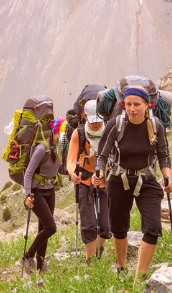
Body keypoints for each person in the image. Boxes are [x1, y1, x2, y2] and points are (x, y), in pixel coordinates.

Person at [94, 86, 172, 278]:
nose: (131, 108)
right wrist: (99, 172)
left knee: (153, 228)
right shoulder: (116, 124)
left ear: (147, 105)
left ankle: (140, 276)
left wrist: (168, 176)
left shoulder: (156, 126)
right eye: (128, 104)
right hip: (118, 180)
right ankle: (121, 268)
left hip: (146, 180)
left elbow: (164, 155)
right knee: (119, 228)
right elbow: (102, 155)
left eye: (136, 104)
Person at [67, 100, 111, 263]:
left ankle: (98, 249)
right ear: (85, 117)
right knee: (88, 224)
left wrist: (102, 173)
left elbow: (114, 157)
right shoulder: (78, 133)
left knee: (106, 227)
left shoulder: (109, 131)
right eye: (92, 120)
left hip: (104, 181)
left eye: (99, 120)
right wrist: (73, 173)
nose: (96, 124)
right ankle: (90, 260)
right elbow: (71, 159)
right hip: (84, 182)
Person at [20, 115, 62, 275]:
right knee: (51, 228)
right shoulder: (41, 149)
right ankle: (28, 256)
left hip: (50, 190)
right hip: (37, 192)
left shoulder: (58, 148)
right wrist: (27, 194)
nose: (64, 136)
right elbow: (28, 173)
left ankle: (40, 265)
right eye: (61, 133)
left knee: (44, 228)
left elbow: (59, 168)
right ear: (53, 133)